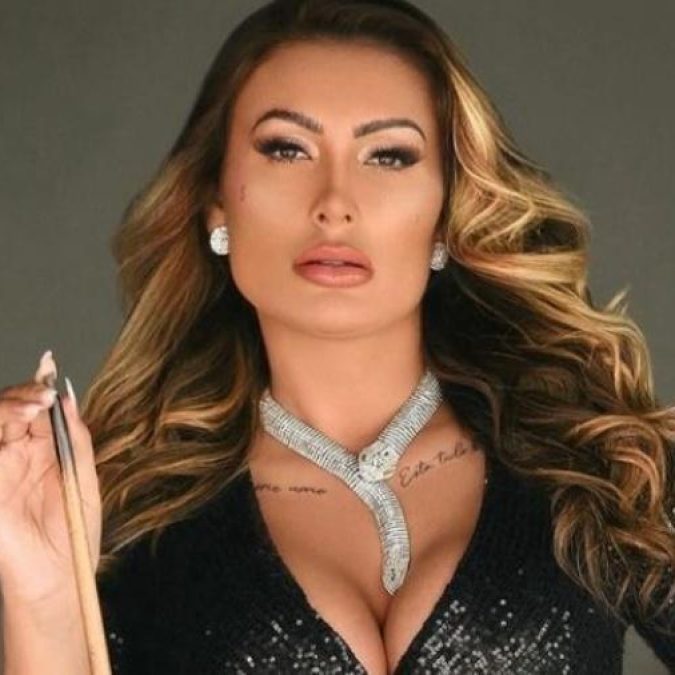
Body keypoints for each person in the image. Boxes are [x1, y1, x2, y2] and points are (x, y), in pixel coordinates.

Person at [0, 0, 673, 673]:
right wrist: (42, 598)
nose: (334, 203)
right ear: (216, 202)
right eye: (286, 149)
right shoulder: (128, 515)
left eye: (388, 156)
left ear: (447, 210)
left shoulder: (598, 461)